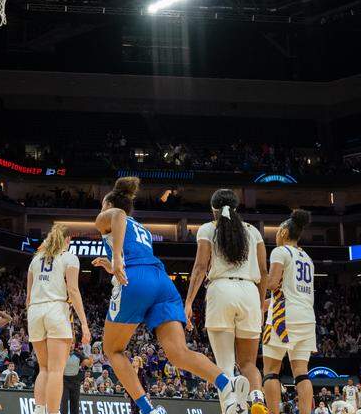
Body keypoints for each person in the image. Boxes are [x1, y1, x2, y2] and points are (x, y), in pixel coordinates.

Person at [92, 177, 249, 414]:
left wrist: (115, 258)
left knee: (113, 350)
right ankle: (226, 383)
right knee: (178, 353)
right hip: (161, 281)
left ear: (108, 203)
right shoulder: (141, 227)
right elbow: (136, 252)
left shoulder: (111, 214)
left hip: (137, 279)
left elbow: (118, 217)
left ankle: (148, 409)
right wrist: (113, 264)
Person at [184, 188, 268, 413]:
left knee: (225, 366)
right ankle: (258, 398)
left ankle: (232, 408)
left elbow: (201, 266)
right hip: (250, 292)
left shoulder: (208, 228)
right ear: (237, 207)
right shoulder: (253, 232)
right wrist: (260, 304)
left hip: (221, 291)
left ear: (213, 210)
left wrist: (189, 301)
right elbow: (263, 271)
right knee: (249, 363)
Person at [26, 223, 90, 414]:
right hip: (56, 309)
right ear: (68, 240)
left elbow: (28, 297)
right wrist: (85, 324)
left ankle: (39, 410)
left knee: (43, 368)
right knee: (55, 370)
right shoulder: (70, 257)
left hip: (35, 311)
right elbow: (73, 290)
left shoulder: (35, 260)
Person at [261, 210, 316, 414]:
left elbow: (273, 283)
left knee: (271, 371)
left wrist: (255, 282)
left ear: (284, 232)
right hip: (307, 318)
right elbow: (288, 294)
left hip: (283, 318)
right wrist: (261, 305)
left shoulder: (280, 251)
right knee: (301, 373)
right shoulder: (307, 258)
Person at [61, 337, 93, 414]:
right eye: (69, 343)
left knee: (75, 404)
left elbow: (88, 364)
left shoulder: (78, 354)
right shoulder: (61, 354)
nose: (71, 345)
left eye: (72, 343)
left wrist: (90, 359)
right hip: (63, 381)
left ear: (74, 344)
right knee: (64, 403)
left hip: (75, 381)